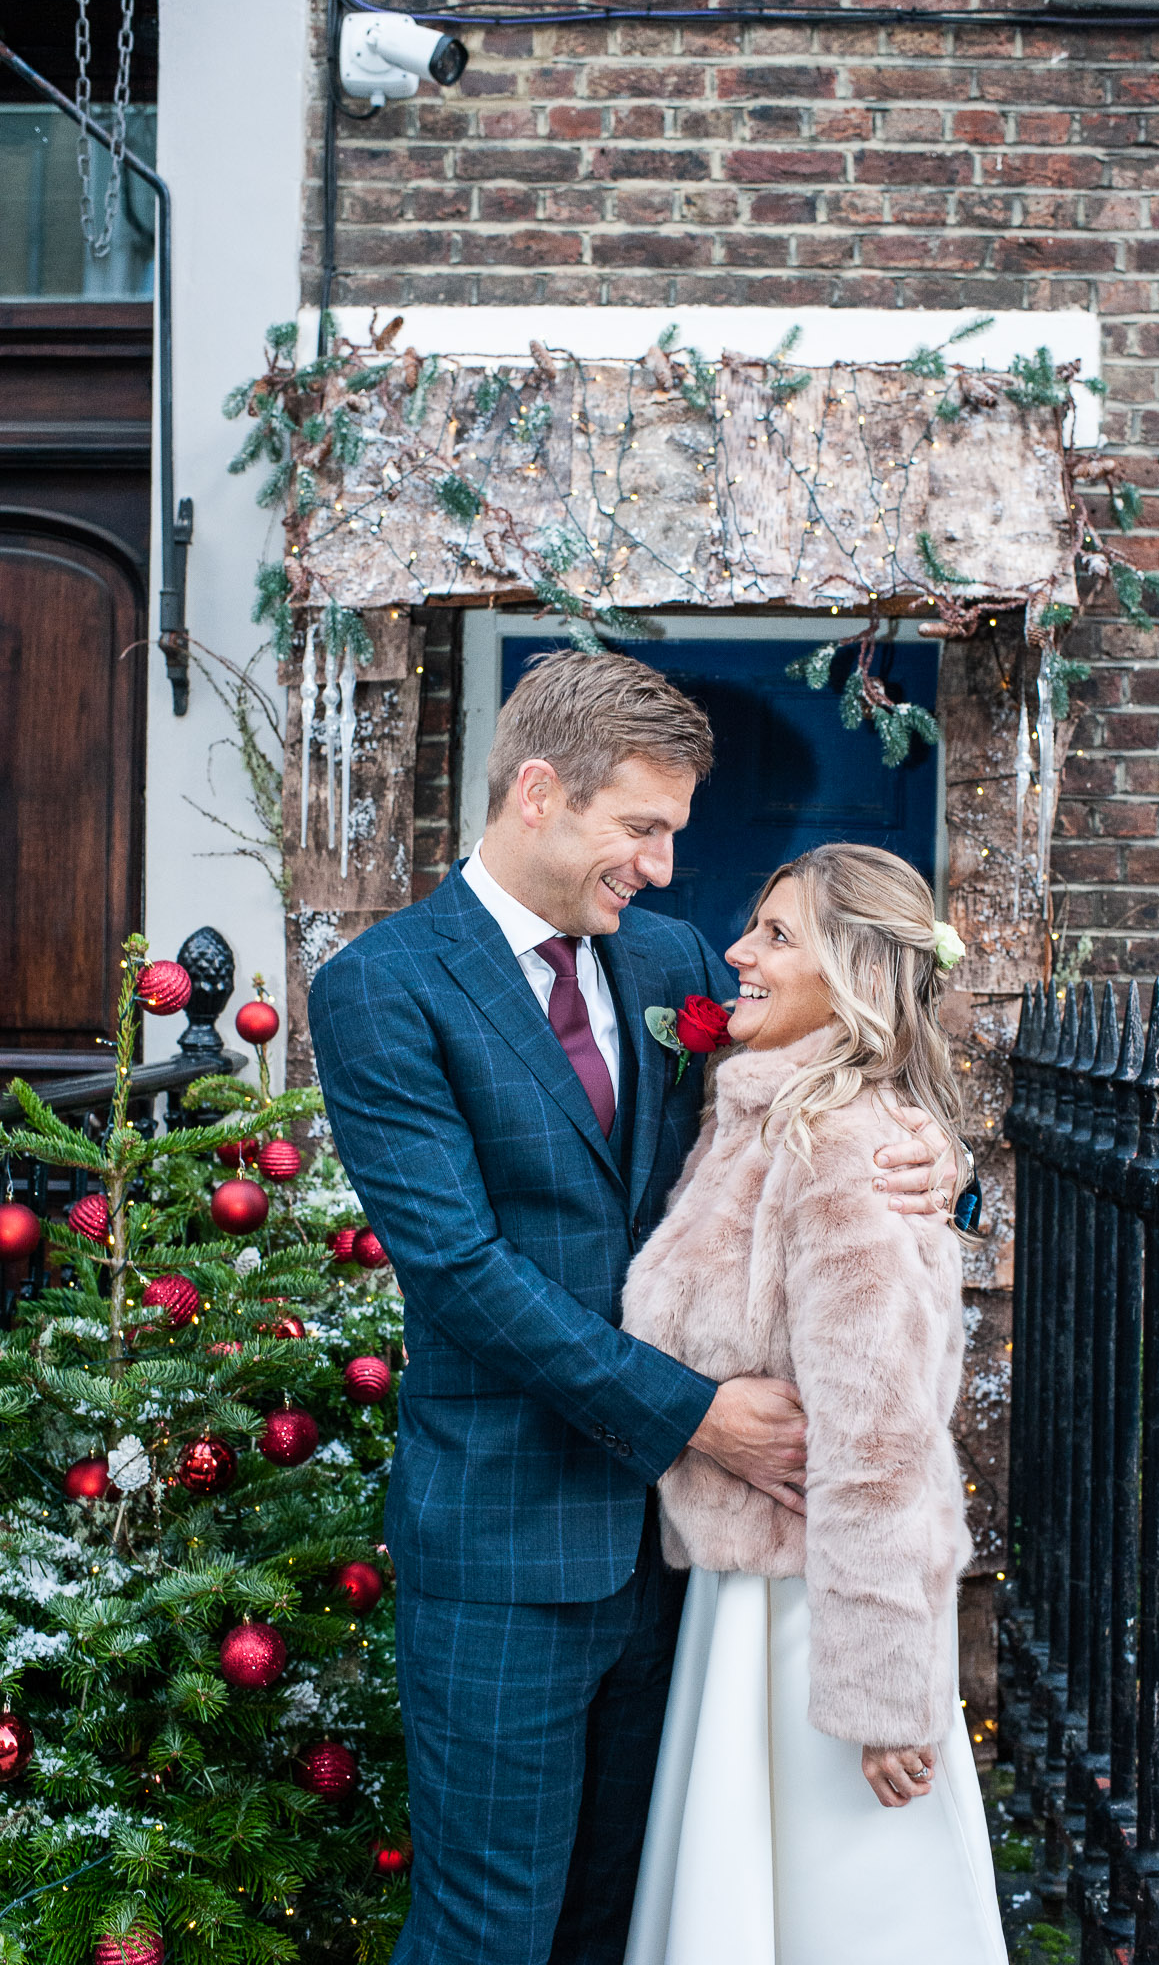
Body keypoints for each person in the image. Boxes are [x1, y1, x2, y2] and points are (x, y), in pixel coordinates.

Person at [308, 651, 965, 1965]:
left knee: (623, 1927)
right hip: (507, 1553)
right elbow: (461, 1273)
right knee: (489, 1933)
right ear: (541, 792)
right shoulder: (381, 987)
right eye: (642, 830)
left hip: (675, 1572)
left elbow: (815, 1108)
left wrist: (934, 1164)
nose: (665, 870)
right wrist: (695, 1420)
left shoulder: (662, 961)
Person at [621, 842, 1006, 1965]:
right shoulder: (752, 1113)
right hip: (743, 1602)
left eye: (777, 936)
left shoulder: (840, 1144)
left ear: (855, 979)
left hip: (817, 1626)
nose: (734, 950)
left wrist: (886, 1691)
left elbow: (882, 1441)